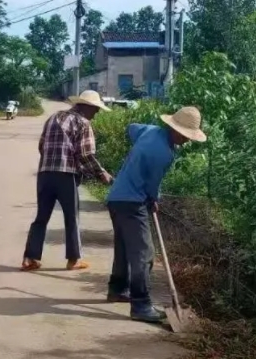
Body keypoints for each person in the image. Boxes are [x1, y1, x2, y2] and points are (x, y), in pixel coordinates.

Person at [105, 106, 207, 323]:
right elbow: (153, 184)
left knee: (124, 247)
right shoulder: (164, 154)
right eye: (186, 136)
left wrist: (136, 158)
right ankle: (141, 304)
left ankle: (117, 289)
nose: (187, 141)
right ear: (175, 130)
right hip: (132, 202)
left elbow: (131, 129)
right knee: (144, 253)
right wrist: (153, 199)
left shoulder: (149, 131)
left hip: (116, 197)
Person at [21, 90, 114, 272]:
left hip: (45, 174)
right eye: (95, 110)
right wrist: (101, 173)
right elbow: (85, 154)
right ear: (86, 107)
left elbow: (42, 145)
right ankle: (73, 260)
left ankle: (30, 258)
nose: (96, 114)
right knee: (72, 218)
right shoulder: (83, 122)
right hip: (66, 175)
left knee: (41, 218)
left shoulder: (53, 118)